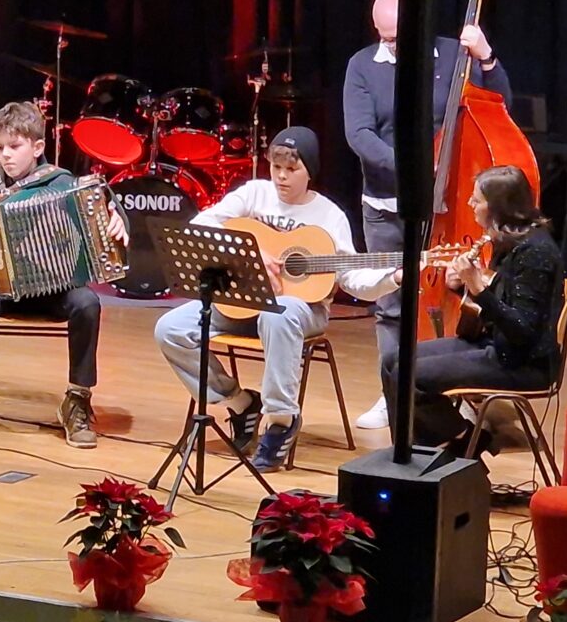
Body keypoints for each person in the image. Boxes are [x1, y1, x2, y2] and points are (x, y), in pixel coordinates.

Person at [154, 127, 401, 472]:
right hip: (241, 301)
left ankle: (281, 421)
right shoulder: (254, 193)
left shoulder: (329, 215)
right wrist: (250, 252)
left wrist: (392, 278)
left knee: (278, 312)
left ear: (309, 171)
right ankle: (240, 403)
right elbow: (200, 225)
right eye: (276, 167)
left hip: (302, 310)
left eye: (292, 169)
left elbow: (352, 279)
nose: (282, 177)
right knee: (170, 329)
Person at [343, 0, 513, 430]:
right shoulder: (362, 65)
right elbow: (360, 135)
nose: (393, 46)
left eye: (400, 37)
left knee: (455, 298)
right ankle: (394, 393)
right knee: (391, 304)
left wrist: (486, 57)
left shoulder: (453, 54)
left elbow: (499, 108)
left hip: (447, 208)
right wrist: (412, 167)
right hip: (386, 203)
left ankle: (457, 390)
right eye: (386, 38)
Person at [0, 101, 129, 449]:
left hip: (55, 288)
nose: (6, 155)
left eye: (14, 146)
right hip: (1, 285)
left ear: (37, 147)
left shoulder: (64, 183)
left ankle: (77, 400)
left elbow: (107, 211)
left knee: (87, 302)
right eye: (0, 147)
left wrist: (117, 221)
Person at [381, 165, 564, 458]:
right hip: (495, 345)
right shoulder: (508, 240)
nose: (470, 204)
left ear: (497, 207)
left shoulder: (535, 252)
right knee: (392, 360)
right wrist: (462, 288)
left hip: (523, 363)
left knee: (411, 375)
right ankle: (411, 453)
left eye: (476, 199)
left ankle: (461, 442)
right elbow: (496, 306)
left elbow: (522, 331)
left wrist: (477, 288)